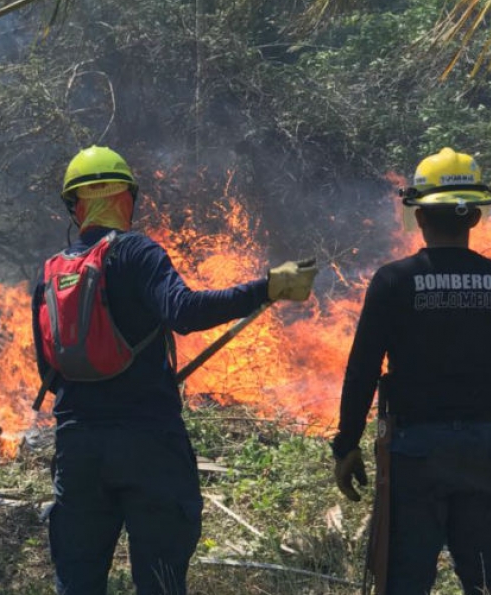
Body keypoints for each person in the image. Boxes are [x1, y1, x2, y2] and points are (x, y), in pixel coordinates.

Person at [32, 146, 319, 595]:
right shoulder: (137, 252)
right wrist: (266, 287)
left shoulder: (52, 272)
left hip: (78, 448)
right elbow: (183, 311)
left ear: (74, 205)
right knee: (161, 580)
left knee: (78, 581)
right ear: (129, 198)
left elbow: (47, 369)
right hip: (148, 444)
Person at [331, 147, 491, 594]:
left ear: (420, 216)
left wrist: (346, 444)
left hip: (415, 453)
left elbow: (362, 370)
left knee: (404, 580)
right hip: (488, 451)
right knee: (490, 582)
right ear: (474, 218)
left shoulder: (394, 281)